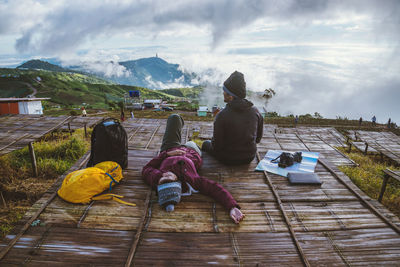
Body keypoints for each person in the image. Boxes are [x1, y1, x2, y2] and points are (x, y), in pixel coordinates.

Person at [142, 114, 245, 224]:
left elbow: (146, 168)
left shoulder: (156, 177)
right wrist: (232, 207)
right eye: (169, 178)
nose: (165, 174)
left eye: (163, 179)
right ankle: (195, 143)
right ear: (177, 181)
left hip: (170, 148)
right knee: (192, 142)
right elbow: (216, 189)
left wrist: (166, 154)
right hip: (191, 151)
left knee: (174, 118)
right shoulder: (193, 180)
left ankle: (182, 134)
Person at [202, 71, 264, 165]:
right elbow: (258, 140)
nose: (223, 93)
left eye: (225, 91)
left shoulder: (222, 115)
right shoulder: (256, 112)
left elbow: (217, 147)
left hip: (228, 158)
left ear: (231, 96)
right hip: (249, 157)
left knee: (205, 144)